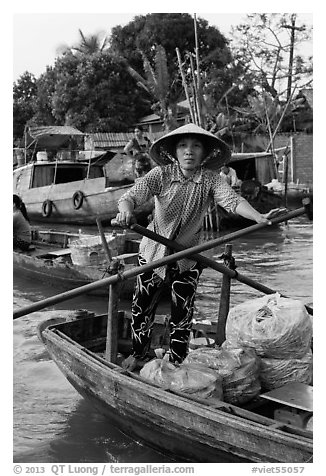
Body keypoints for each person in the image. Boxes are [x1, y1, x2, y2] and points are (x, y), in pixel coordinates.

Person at [115, 123, 280, 371]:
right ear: (174, 151)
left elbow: (232, 200)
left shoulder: (211, 180)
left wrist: (257, 216)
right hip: (153, 254)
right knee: (141, 309)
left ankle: (178, 365)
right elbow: (129, 197)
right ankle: (139, 355)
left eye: (196, 146)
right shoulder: (161, 175)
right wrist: (126, 213)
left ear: (205, 153)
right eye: (183, 146)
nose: (189, 151)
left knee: (182, 314)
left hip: (188, 257)